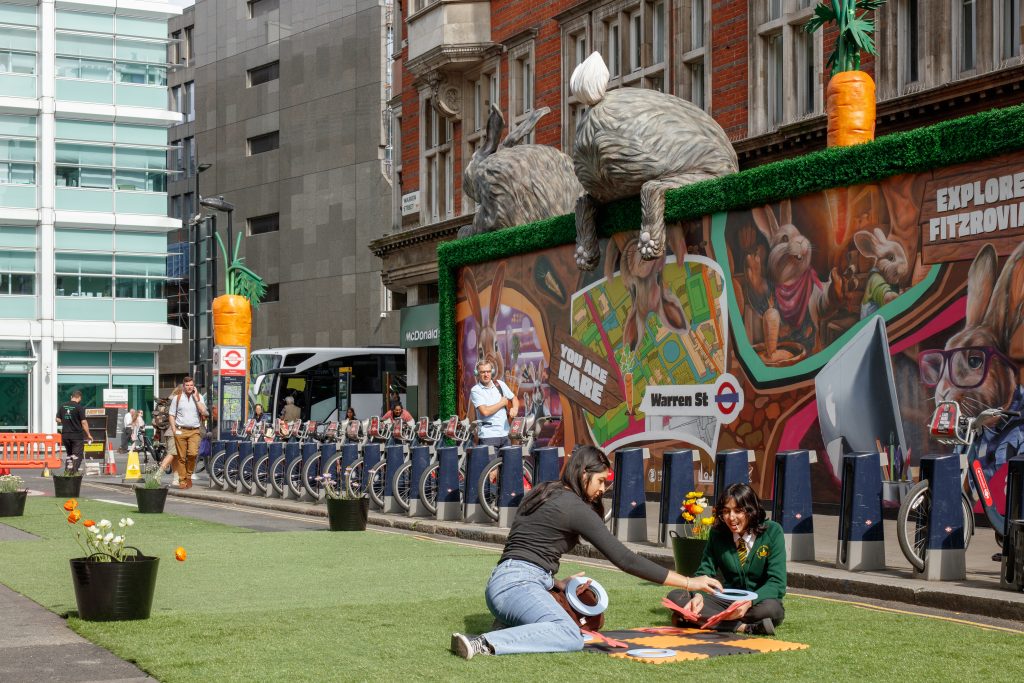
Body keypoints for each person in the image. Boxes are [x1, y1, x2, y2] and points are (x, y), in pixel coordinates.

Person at [450, 446, 722, 659]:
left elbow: (525, 549)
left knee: (557, 622)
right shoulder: (573, 506)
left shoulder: (543, 491)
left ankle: (505, 625)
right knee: (569, 634)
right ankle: (484, 643)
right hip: (517, 585)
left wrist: (553, 581)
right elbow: (625, 559)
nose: (603, 489)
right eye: (601, 481)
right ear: (583, 474)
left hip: (506, 580)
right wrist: (689, 582)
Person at [666, 483, 786, 635]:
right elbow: (705, 571)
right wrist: (698, 596)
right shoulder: (717, 534)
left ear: (751, 510)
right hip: (725, 600)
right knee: (676, 596)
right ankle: (742, 627)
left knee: (773, 610)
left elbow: (777, 583)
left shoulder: (773, 531)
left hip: (756, 603)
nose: (731, 517)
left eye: (738, 511)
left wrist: (749, 602)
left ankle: (696, 619)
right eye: (726, 511)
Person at [168, 376, 208, 490]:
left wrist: (196, 398)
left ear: (193, 386)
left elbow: (203, 411)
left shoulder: (199, 397)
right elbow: (171, 414)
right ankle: (182, 480)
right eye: (187, 385)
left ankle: (188, 476)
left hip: (194, 430)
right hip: (180, 430)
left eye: (191, 385)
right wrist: (174, 429)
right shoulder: (177, 398)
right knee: (181, 457)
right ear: (184, 386)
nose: (189, 387)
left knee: (193, 454)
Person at [470, 360, 519, 450]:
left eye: (488, 371)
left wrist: (515, 408)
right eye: (482, 372)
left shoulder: (500, 384)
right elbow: (485, 411)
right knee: (491, 464)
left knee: (509, 464)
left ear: (492, 372)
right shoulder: (475, 390)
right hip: (488, 437)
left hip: (505, 435)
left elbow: (514, 398)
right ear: (477, 373)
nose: (486, 374)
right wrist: (502, 403)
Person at [56, 390, 94, 474]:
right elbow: (84, 422)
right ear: (79, 398)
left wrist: (66, 420)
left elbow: (57, 419)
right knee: (77, 455)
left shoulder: (63, 406)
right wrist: (88, 435)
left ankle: (67, 472)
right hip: (76, 436)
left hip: (65, 435)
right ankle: (72, 473)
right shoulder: (79, 408)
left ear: (71, 397)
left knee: (69, 455)